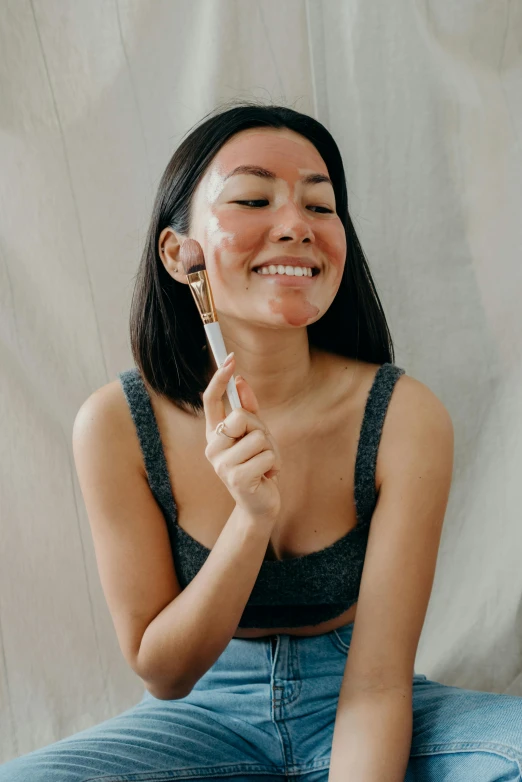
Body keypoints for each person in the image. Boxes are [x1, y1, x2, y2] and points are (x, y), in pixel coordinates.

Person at [2, 101, 521, 782]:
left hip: (363, 695)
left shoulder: (403, 415)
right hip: (201, 718)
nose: (296, 227)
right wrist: (250, 519)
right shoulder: (115, 425)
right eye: (252, 198)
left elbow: (378, 686)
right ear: (178, 254)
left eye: (320, 205)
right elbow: (163, 671)